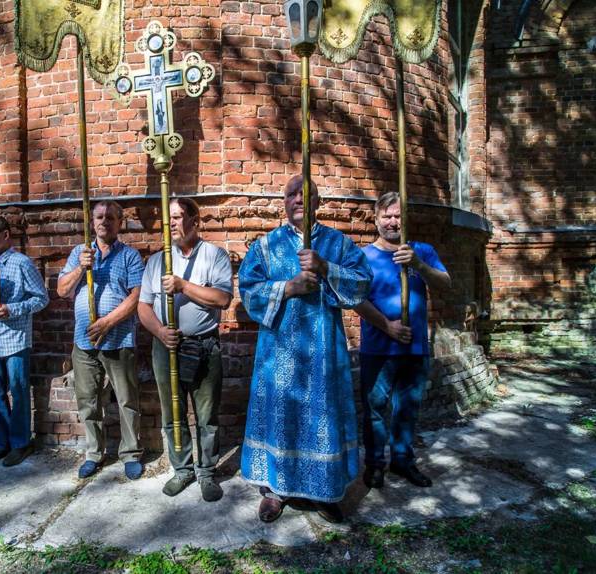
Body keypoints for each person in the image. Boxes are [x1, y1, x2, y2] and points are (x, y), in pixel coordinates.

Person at [238, 176, 372, 524]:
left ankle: (324, 490)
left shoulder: (337, 243)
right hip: (278, 353)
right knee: (281, 418)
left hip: (323, 353)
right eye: (291, 194)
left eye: (306, 194)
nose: (298, 199)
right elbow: (249, 290)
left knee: (321, 421)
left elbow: (361, 282)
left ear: (318, 202)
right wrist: (288, 287)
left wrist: (326, 267)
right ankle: (275, 490)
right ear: (284, 202)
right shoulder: (266, 247)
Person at [138, 198, 233, 502]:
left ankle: (206, 472)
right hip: (166, 347)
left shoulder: (214, 256)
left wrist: (182, 286)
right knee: (173, 413)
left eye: (178, 217)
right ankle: (182, 470)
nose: (172, 224)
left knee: (207, 414)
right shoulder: (156, 261)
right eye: (169, 219)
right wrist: (159, 331)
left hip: (204, 345)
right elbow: (143, 306)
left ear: (195, 221)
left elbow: (222, 299)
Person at [355, 191, 451, 490]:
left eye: (398, 216)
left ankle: (402, 460)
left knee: (408, 407)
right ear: (376, 219)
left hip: (415, 347)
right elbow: (356, 300)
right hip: (378, 347)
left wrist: (419, 265)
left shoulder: (422, 250)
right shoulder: (363, 256)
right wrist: (388, 326)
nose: (393, 221)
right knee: (375, 407)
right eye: (387, 216)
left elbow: (446, 284)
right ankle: (375, 465)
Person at [56, 200, 145, 480]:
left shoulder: (129, 256)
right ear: (91, 221)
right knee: (88, 401)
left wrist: (107, 322)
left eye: (110, 217)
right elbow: (61, 290)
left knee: (127, 399)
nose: (104, 221)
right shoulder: (79, 253)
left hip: (118, 339)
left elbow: (136, 297)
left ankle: (130, 453)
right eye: (99, 217)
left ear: (120, 223)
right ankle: (94, 453)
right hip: (83, 343)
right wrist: (82, 267)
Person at [0, 215, 50, 467]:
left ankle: (20, 443)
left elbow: (41, 298)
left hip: (15, 338)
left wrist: (11, 309)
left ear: (5, 235)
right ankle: (2, 442)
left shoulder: (22, 263)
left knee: (18, 390)